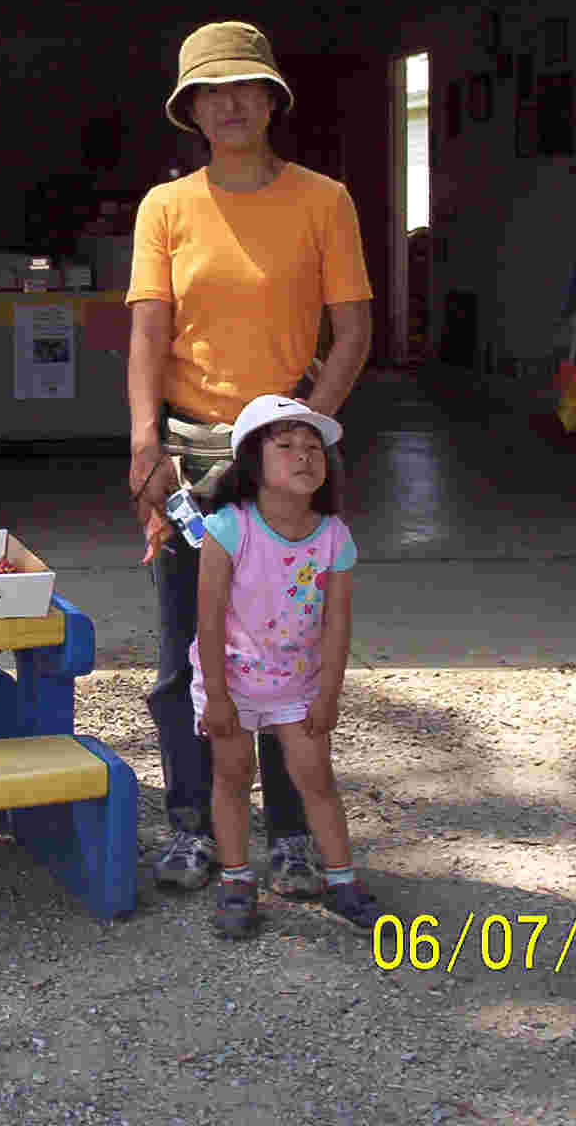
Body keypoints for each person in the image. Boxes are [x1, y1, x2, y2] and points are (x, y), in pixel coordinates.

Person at [126, 21, 373, 899]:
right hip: (192, 460)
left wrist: (304, 435)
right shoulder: (167, 207)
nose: (230, 104)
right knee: (187, 649)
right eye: (211, 92)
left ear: (273, 100)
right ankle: (192, 826)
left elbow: (353, 330)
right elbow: (148, 333)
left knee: (290, 646)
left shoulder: (324, 201)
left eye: (245, 88)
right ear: (190, 110)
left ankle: (293, 836)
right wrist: (145, 444)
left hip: (279, 458)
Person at [194, 395, 378, 938]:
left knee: (316, 778)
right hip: (231, 682)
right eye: (287, 446)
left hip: (298, 686)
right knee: (233, 777)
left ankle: (343, 883)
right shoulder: (228, 528)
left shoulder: (335, 536)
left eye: (314, 447)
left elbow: (338, 624)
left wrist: (328, 694)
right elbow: (207, 619)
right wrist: (218, 696)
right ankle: (235, 882)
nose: (304, 456)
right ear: (252, 463)